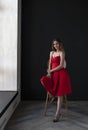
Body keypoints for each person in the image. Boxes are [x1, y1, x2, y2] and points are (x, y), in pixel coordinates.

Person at [40, 38, 72, 122]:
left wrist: (51, 71)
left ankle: (57, 114)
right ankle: (52, 94)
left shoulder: (62, 53)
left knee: (60, 94)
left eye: (57, 43)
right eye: (54, 44)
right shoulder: (51, 53)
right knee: (43, 79)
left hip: (61, 74)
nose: (55, 45)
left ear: (60, 44)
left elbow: (61, 65)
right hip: (53, 74)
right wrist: (49, 72)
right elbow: (50, 64)